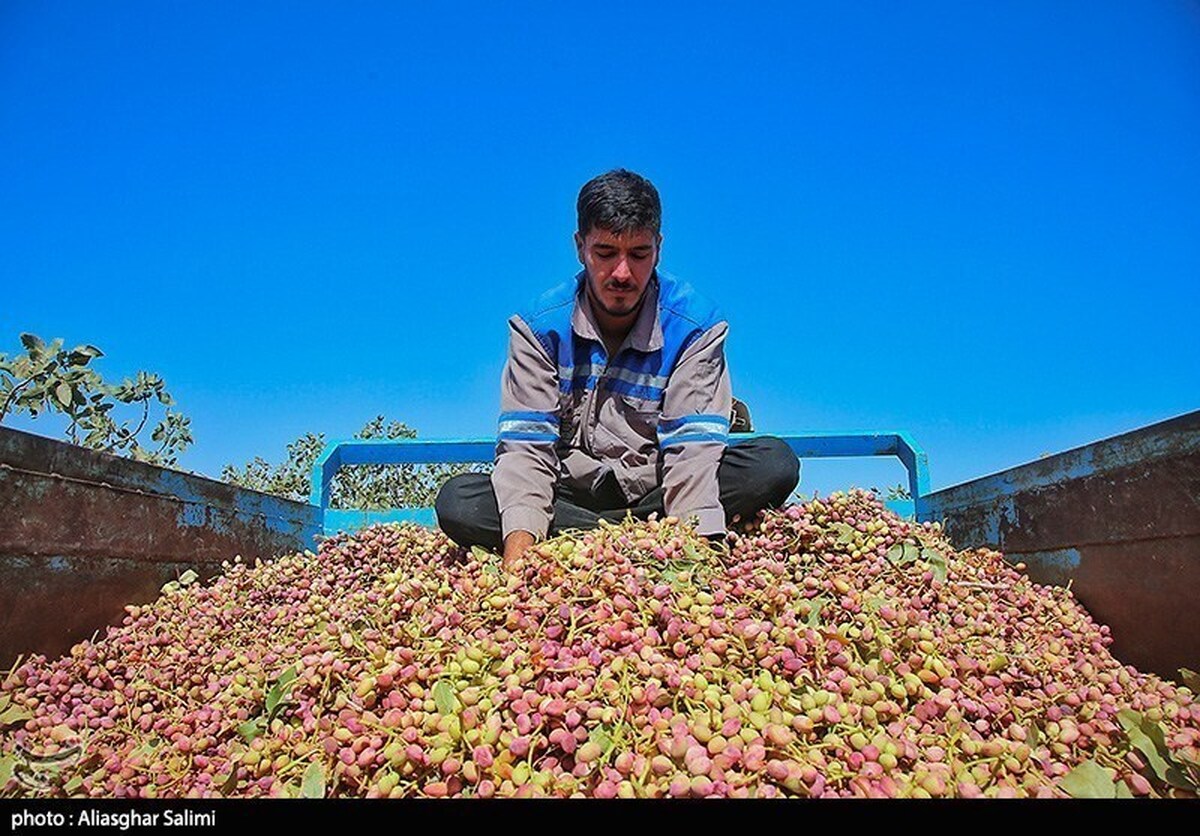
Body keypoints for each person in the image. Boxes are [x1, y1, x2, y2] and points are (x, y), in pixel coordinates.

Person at [436, 169, 800, 569]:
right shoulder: (538, 330)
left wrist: (698, 558)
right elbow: (527, 450)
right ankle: (630, 537)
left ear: (658, 249)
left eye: (639, 255)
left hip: (658, 489)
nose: (622, 273)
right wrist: (518, 563)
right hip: (570, 495)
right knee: (460, 501)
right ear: (580, 247)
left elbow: (692, 452)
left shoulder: (695, 327)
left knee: (772, 463)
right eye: (605, 253)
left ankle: (595, 540)